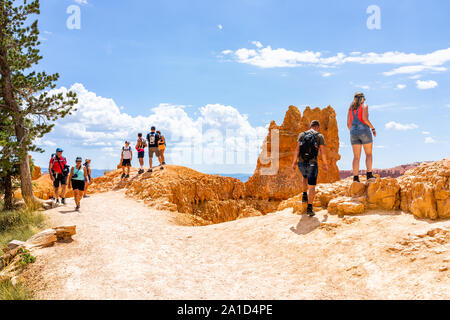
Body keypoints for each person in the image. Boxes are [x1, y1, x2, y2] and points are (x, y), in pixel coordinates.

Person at [291, 120, 328, 217]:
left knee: (304, 176)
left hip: (301, 162)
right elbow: (323, 151)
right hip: (312, 163)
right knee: (312, 186)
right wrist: (325, 163)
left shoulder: (302, 134)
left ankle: (304, 195)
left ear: (310, 126)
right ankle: (309, 208)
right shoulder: (319, 136)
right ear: (317, 127)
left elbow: (297, 149)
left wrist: (294, 162)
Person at [347, 92, 377, 182]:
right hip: (364, 130)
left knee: (356, 157)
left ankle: (355, 178)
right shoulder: (364, 106)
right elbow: (364, 119)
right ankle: (369, 175)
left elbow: (348, 124)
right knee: (368, 154)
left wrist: (353, 131)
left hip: (353, 132)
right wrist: (373, 128)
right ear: (362, 98)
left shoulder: (350, 108)